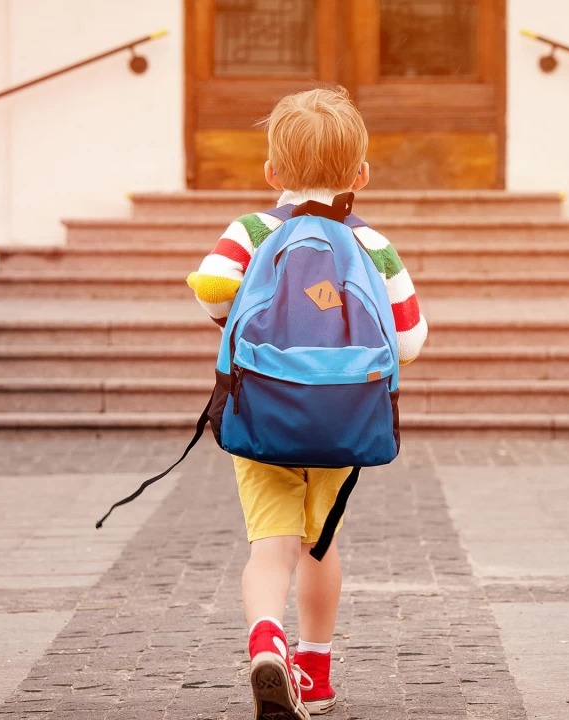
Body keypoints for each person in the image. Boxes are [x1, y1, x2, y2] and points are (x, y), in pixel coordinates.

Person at [186, 87, 428, 718]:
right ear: (361, 174)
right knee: (319, 546)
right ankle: (315, 674)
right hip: (342, 421)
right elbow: (409, 339)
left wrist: (243, 320)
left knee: (270, 545)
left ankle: (267, 640)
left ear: (271, 173)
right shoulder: (371, 243)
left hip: (262, 411)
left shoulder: (253, 229)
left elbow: (213, 287)